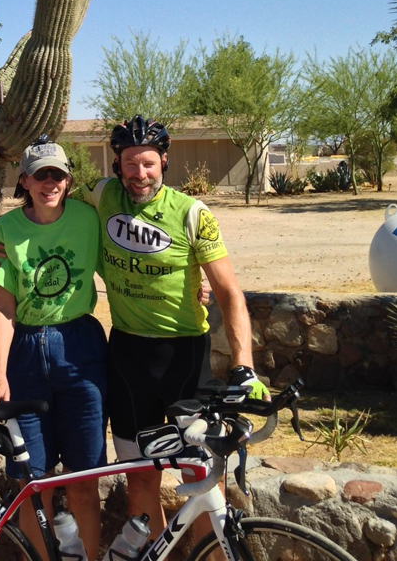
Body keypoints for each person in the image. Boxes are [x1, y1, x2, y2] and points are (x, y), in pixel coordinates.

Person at [78, 115, 269, 536]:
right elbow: (48, 204)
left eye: (148, 163)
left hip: (185, 359)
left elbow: (229, 292)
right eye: (130, 164)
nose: (139, 174)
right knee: (140, 478)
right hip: (127, 358)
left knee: (199, 479)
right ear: (117, 164)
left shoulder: (191, 214)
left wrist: (244, 364)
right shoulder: (102, 195)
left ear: (164, 161)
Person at [0, 136, 107, 561]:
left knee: (85, 479)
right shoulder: (5, 231)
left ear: (68, 181)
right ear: (25, 181)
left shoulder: (89, 219)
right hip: (27, 351)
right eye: (41, 174)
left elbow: (127, 261)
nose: (50, 182)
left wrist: (194, 285)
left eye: (58, 174)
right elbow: (4, 305)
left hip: (80, 347)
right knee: (35, 482)